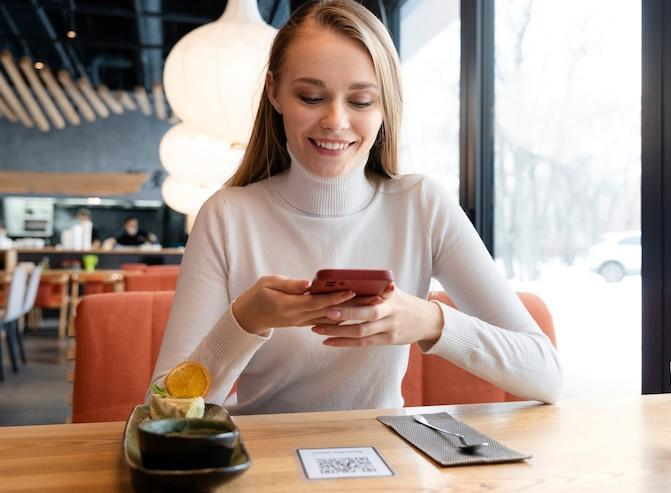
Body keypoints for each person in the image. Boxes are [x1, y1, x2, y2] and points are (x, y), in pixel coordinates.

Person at [151, 0, 563, 414]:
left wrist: (431, 322)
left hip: (384, 460)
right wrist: (243, 322)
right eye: (311, 97)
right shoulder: (226, 216)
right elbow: (160, 408)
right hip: (263, 462)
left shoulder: (421, 206)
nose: (335, 120)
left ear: (386, 106)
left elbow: (545, 373)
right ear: (275, 92)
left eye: (362, 102)